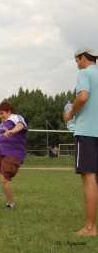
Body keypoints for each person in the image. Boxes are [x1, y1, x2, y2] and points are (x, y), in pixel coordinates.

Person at [64, 46, 98, 236]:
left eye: (77, 60)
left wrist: (71, 114)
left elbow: (83, 96)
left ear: (83, 58)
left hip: (88, 133)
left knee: (89, 178)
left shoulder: (85, 74)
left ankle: (91, 228)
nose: (77, 64)